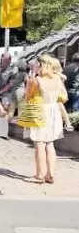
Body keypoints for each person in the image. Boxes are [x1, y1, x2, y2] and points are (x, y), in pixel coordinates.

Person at [25, 54, 69, 184]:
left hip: (40, 110)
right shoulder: (57, 78)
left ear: (40, 65)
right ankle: (50, 174)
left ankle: (40, 174)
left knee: (39, 143)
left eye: (35, 64)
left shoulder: (35, 80)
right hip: (54, 110)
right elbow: (64, 97)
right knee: (50, 143)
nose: (33, 66)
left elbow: (28, 98)